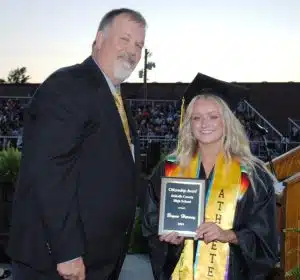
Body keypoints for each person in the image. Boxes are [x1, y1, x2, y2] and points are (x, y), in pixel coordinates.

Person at [7, 8, 146, 280]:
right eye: (125, 39)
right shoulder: (68, 85)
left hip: (96, 259)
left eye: (139, 45)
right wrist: (67, 252)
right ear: (99, 39)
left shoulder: (114, 97)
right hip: (59, 264)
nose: (132, 50)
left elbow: (117, 172)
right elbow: (49, 171)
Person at [142, 92, 279, 279]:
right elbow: (151, 218)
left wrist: (229, 235)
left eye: (213, 116)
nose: (204, 124)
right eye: (196, 118)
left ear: (227, 122)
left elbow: (265, 235)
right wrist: (166, 235)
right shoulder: (170, 168)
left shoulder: (252, 174)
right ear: (189, 124)